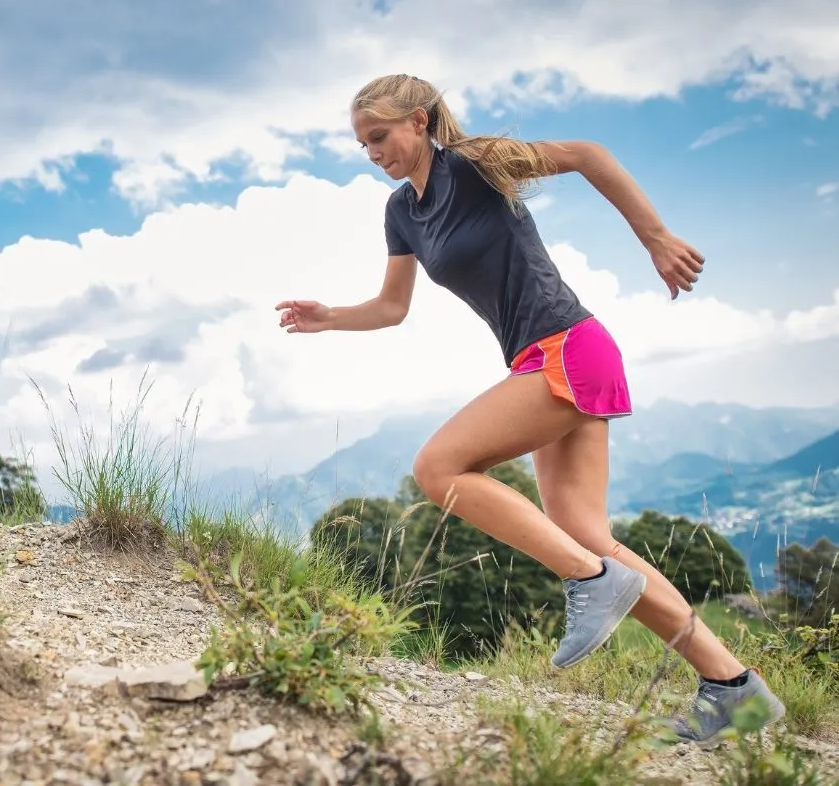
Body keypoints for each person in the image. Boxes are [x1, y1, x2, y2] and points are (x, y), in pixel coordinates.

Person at [274, 73, 785, 748]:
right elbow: (393, 306)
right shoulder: (402, 211)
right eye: (363, 143)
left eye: (381, 136)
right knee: (588, 533)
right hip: (540, 360)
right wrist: (331, 317)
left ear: (421, 121)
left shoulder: (476, 164)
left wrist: (656, 237)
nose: (372, 152)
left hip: (570, 347)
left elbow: (589, 154)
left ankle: (591, 580)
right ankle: (734, 687)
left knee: (439, 467)